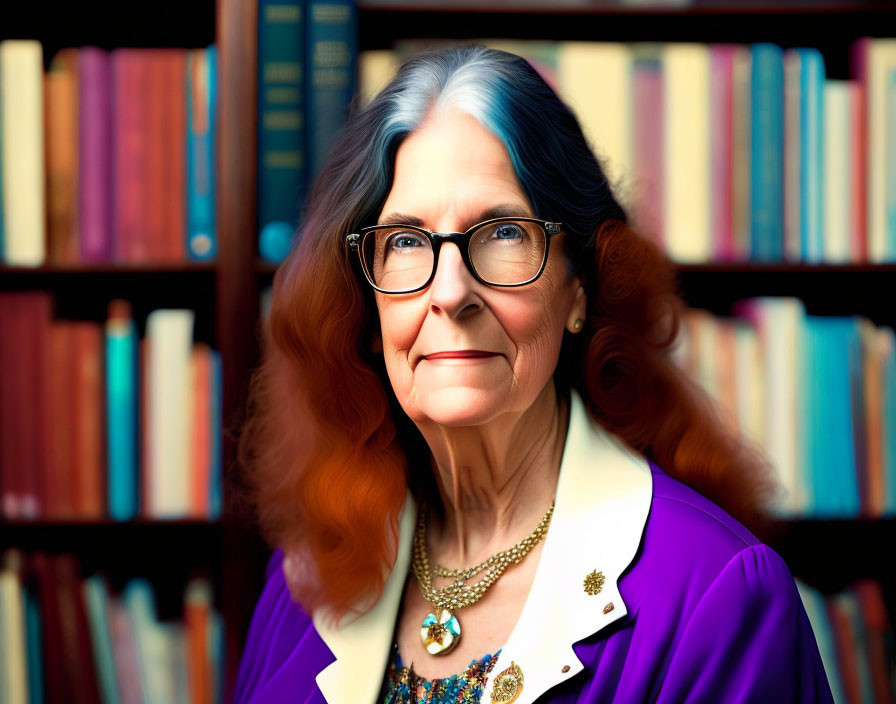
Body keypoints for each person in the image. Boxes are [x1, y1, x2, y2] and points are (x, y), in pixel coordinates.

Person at [233, 44, 834, 703]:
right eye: (406, 241)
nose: (451, 292)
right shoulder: (305, 578)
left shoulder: (722, 597)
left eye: (502, 232)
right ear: (367, 308)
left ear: (578, 288)